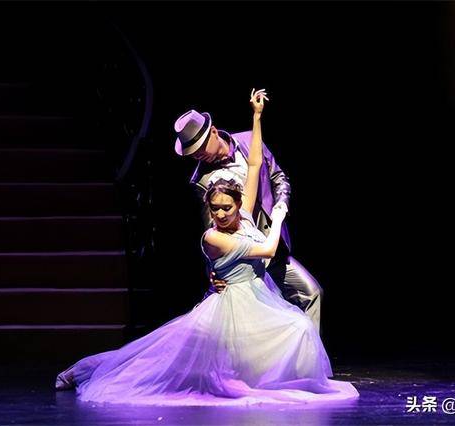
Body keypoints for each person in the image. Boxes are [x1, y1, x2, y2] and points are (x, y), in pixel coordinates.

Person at [54, 89, 359, 405]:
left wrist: (256, 117)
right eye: (217, 209)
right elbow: (215, 238)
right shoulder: (207, 196)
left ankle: (305, 372)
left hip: (260, 270)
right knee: (166, 358)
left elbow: (259, 166)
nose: (221, 213)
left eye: (227, 207)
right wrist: (215, 271)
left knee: (304, 303)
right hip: (239, 280)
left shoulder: (243, 195)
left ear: (213, 132)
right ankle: (89, 369)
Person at [175, 92, 323, 334]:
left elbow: (275, 176)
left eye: (200, 147)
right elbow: (211, 230)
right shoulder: (201, 181)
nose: (197, 155)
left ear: (213, 132)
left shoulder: (249, 142)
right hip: (243, 258)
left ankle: (308, 354)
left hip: (268, 242)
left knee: (312, 293)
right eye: (192, 153)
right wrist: (214, 271)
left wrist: (280, 206)